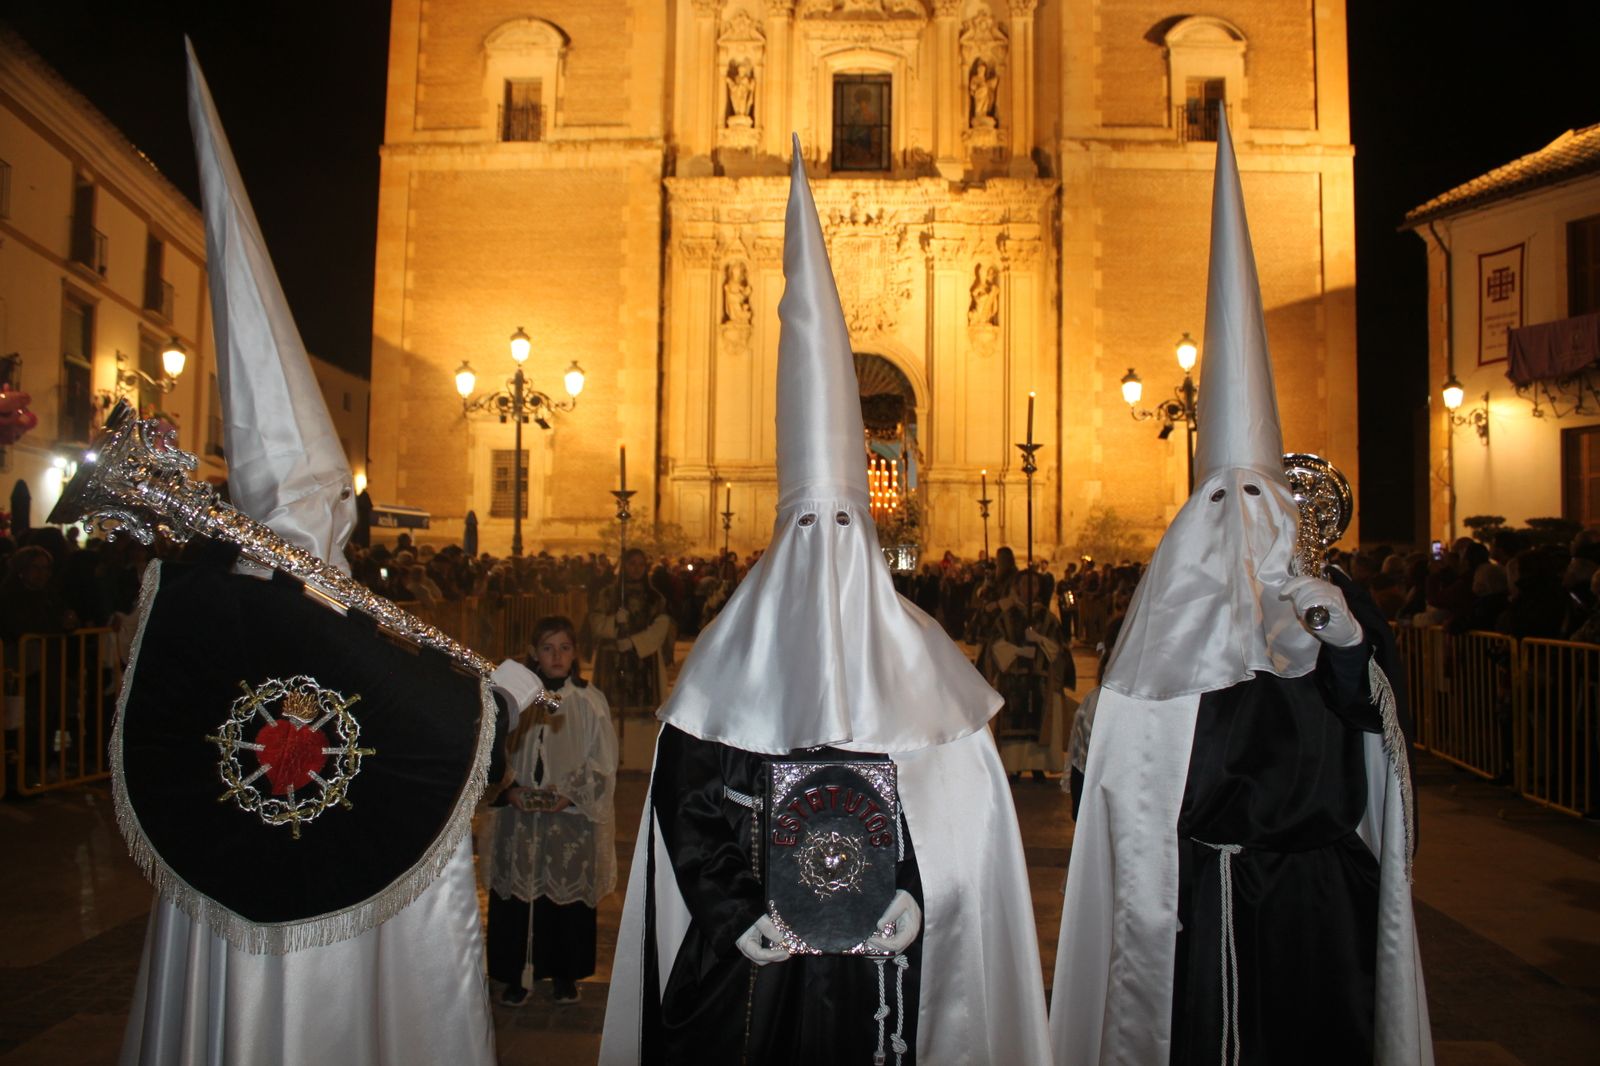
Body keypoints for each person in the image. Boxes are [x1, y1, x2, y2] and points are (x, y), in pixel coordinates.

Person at [600, 136, 1051, 1066]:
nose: (826, 555)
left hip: (892, 978)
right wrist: (734, 912)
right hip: (753, 980)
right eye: (809, 529)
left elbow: (964, 822)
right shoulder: (726, 666)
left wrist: (917, 894)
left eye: (844, 530)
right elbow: (686, 804)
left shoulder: (930, 671)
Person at [1051, 112, 1432, 1066]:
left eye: (1260, 500)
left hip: (1320, 893)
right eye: (1225, 500)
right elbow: (1111, 794)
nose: (1244, 521)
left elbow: (1382, 742)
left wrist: (1346, 648)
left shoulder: (1339, 611)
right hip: (1206, 897)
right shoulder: (1161, 634)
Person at [486, 616, 617, 1007]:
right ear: (534, 653)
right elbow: (495, 752)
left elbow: (603, 760)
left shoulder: (589, 700)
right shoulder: (514, 700)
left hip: (568, 819)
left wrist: (571, 795)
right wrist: (508, 791)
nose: (557, 656)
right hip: (518, 814)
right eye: (548, 648)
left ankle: (565, 972)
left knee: (565, 899)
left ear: (575, 653)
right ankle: (517, 973)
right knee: (518, 897)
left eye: (564, 648)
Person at [980, 568, 1073, 776]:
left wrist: (1040, 640)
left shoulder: (1048, 618)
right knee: (1014, 724)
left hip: (1040, 681)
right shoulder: (1006, 617)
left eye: (1033, 585)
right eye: (1024, 584)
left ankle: (1038, 767)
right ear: (1017, 587)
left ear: (1039, 589)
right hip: (1013, 682)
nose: (1028, 589)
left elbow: (1059, 649)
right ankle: (1014, 767)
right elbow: (995, 644)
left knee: (1039, 723)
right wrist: (1018, 650)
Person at [590, 547, 672, 717]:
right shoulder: (608, 594)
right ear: (624, 565)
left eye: (641, 564)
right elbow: (595, 623)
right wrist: (613, 622)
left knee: (641, 722)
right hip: (611, 662)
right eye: (632, 563)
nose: (637, 568)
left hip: (645, 664)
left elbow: (661, 626)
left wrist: (635, 642)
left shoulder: (654, 598)